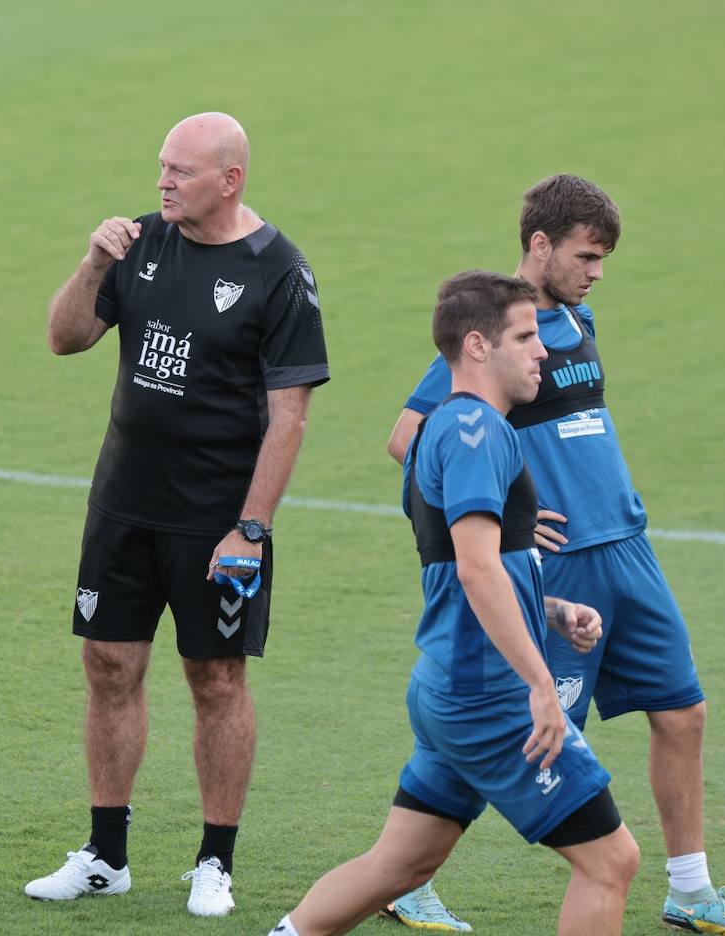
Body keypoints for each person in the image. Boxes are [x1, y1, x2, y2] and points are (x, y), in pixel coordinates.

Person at [382, 176, 725, 936]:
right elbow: (408, 437)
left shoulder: (578, 319)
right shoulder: (497, 332)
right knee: (526, 733)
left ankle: (690, 890)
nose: (596, 271)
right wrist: (499, 524)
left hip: (628, 548)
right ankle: (408, 878)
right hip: (562, 571)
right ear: (540, 244)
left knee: (683, 711)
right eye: (586, 255)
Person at [24, 112, 329, 917]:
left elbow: (289, 414)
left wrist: (252, 527)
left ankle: (214, 862)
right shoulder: (140, 243)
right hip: (123, 504)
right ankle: (105, 853)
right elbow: (65, 338)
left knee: (216, 679)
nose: (163, 182)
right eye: (161, 167)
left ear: (229, 180)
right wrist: (92, 263)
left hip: (216, 520)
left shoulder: (279, 271)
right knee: (109, 668)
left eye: (181, 172)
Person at [272, 270, 639, 936]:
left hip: (449, 684)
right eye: (525, 337)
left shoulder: (447, 428)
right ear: (478, 345)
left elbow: (471, 566)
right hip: (489, 697)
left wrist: (551, 611)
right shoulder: (478, 432)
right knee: (611, 861)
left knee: (400, 866)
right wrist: (540, 685)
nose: (543, 352)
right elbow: (474, 570)